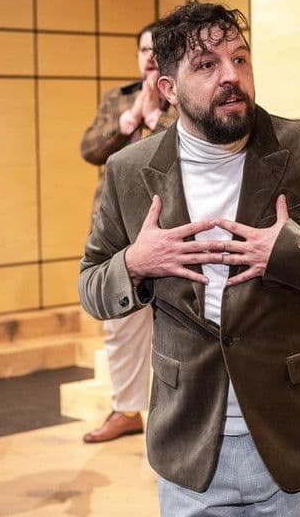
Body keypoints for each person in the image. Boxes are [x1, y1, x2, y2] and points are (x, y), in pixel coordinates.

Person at [79, 0, 300, 516]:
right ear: (168, 88)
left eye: (239, 58)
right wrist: (135, 264)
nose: (230, 76)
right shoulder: (129, 170)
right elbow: (92, 286)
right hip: (191, 445)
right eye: (207, 65)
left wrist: (293, 256)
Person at [77, 22, 177, 444]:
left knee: (178, 324)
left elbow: (183, 151)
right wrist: (127, 121)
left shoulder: (183, 96)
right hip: (118, 227)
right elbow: (89, 149)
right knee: (120, 325)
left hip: (172, 227)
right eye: (143, 50)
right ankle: (126, 409)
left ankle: (176, 415)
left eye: (157, 49)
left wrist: (154, 119)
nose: (149, 57)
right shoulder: (117, 98)